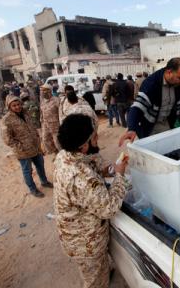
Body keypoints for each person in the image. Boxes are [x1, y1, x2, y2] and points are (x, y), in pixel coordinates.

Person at [54, 114, 130, 288]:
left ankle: (103, 272)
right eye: (94, 136)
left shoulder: (65, 155)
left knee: (98, 269)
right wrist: (119, 175)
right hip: (86, 244)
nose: (98, 137)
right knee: (94, 282)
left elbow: (91, 165)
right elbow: (109, 208)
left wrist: (111, 168)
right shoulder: (80, 178)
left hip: (79, 235)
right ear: (84, 145)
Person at [119, 57, 180, 145]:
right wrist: (132, 128)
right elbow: (137, 107)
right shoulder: (151, 84)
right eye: (179, 78)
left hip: (167, 123)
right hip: (151, 126)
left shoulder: (178, 84)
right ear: (169, 72)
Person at [1, 95, 53, 197]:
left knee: (40, 165)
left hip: (35, 147)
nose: (17, 107)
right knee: (27, 171)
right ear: (9, 107)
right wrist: (20, 147)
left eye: (18, 104)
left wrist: (38, 140)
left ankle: (44, 181)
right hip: (23, 151)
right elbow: (7, 139)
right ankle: (33, 189)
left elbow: (32, 127)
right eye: (14, 105)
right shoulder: (6, 120)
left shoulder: (26, 112)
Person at [40, 84, 61, 154]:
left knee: (57, 141)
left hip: (55, 125)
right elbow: (42, 112)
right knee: (45, 139)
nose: (43, 92)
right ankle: (55, 152)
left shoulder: (56, 100)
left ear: (49, 91)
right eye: (42, 91)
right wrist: (42, 122)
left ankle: (62, 154)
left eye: (45, 90)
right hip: (45, 124)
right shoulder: (42, 101)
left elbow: (61, 113)